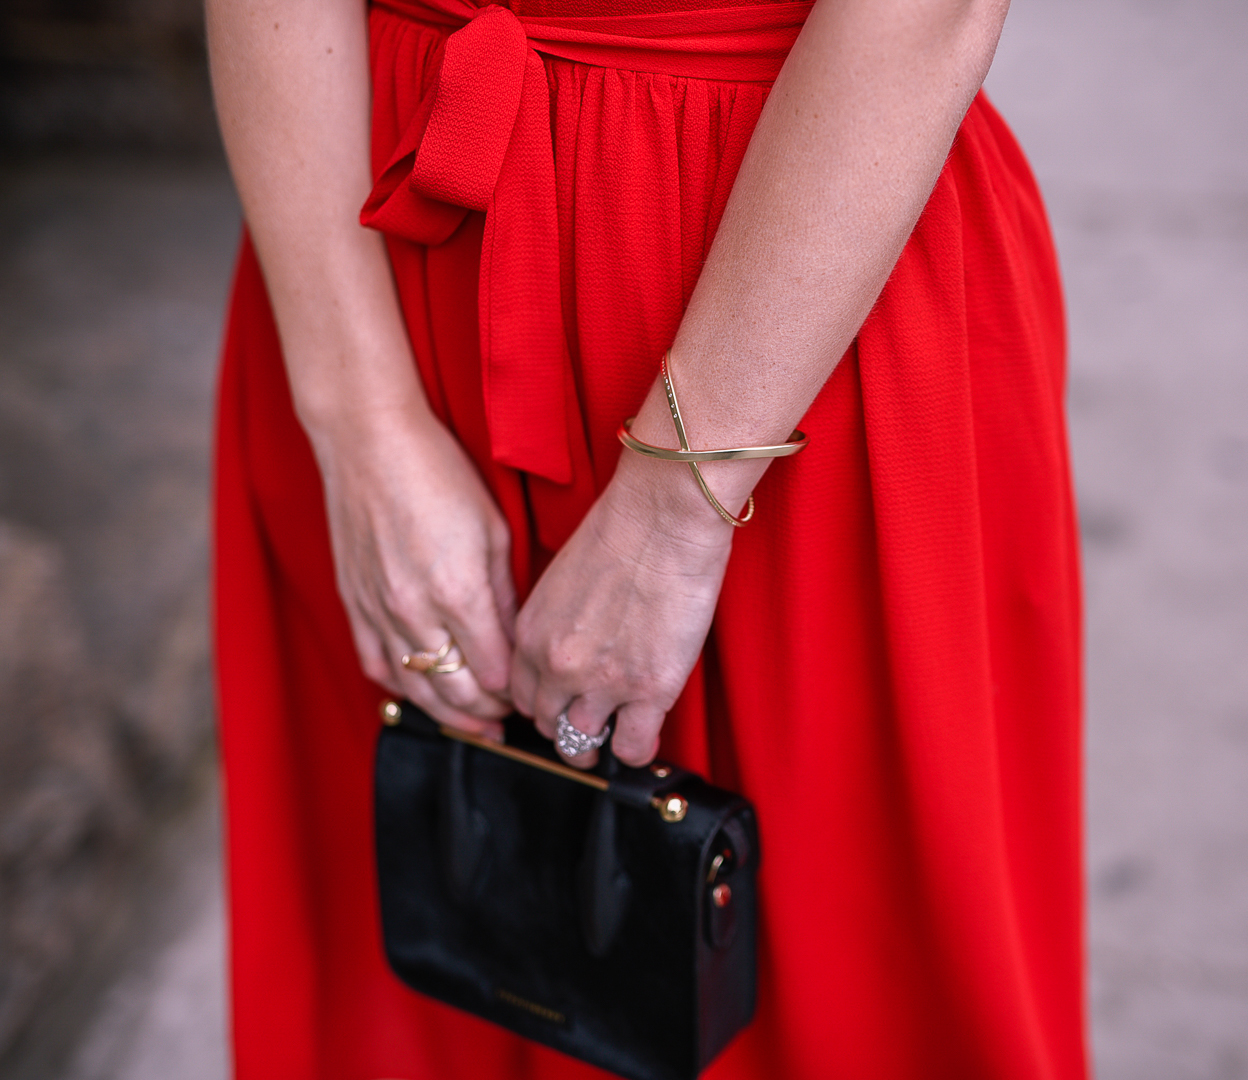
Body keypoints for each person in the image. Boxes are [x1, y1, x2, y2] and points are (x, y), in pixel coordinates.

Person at [205, 0, 1088, 1073]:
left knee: (856, 982)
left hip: (789, 286)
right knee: (419, 968)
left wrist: (679, 507)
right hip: (366, 248)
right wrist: (362, 422)